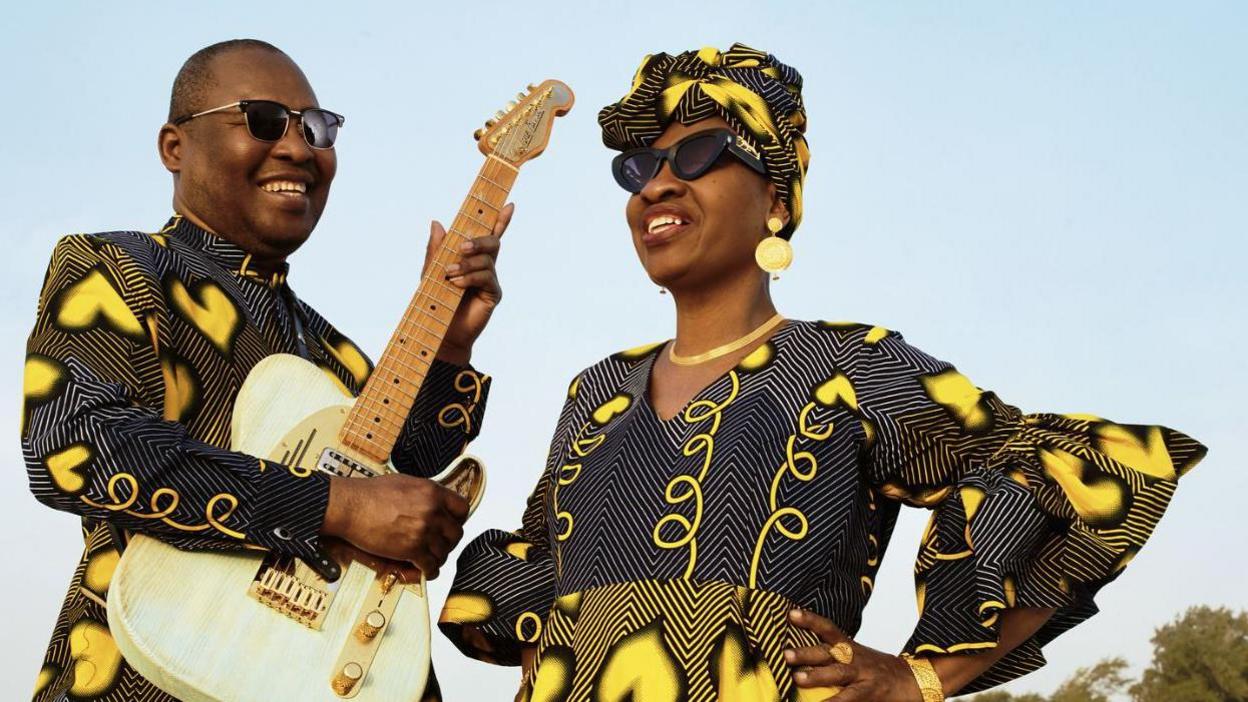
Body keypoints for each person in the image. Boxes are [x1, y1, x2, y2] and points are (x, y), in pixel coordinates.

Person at [437, 43, 1206, 701]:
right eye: (639, 167)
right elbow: (532, 580)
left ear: (776, 197)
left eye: (699, 155)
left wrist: (921, 678)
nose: (657, 186)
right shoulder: (597, 390)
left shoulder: (848, 366)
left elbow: (1075, 471)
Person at [23, 38, 509, 702]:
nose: (298, 147)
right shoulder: (122, 267)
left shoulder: (335, 350)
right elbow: (75, 444)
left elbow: (401, 478)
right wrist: (334, 505)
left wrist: (448, 350)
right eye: (261, 120)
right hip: (147, 672)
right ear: (175, 147)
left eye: (316, 128)